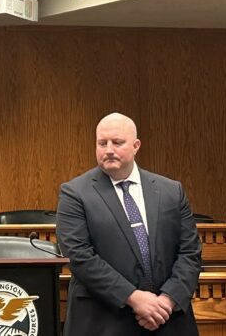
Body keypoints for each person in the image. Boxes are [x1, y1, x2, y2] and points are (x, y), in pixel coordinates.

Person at [56, 112, 202, 335]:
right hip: (105, 321)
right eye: (102, 143)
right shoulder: (75, 193)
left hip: (168, 321)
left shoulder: (171, 191)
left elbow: (190, 252)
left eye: (117, 142)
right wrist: (134, 298)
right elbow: (80, 257)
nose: (109, 150)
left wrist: (167, 301)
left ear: (136, 145)